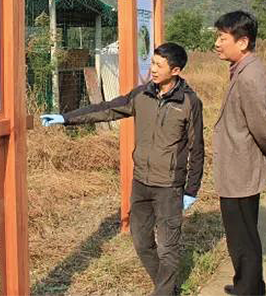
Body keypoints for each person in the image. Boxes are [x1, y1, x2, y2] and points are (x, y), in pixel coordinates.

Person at [40, 42, 204, 296]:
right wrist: (67, 118)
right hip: (141, 183)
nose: (153, 69)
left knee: (167, 248)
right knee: (141, 241)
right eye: (152, 63)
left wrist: (191, 190)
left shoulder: (188, 102)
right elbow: (107, 110)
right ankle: (168, 288)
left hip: (169, 186)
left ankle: (163, 292)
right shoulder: (142, 95)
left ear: (176, 70)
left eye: (159, 65)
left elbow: (197, 147)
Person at [212, 11, 266, 296]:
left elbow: (263, 125)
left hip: (241, 169)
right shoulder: (244, 69)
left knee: (243, 238)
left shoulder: (250, 76)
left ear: (242, 42)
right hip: (237, 167)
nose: (217, 43)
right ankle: (247, 284)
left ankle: (250, 291)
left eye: (223, 38)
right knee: (241, 235)